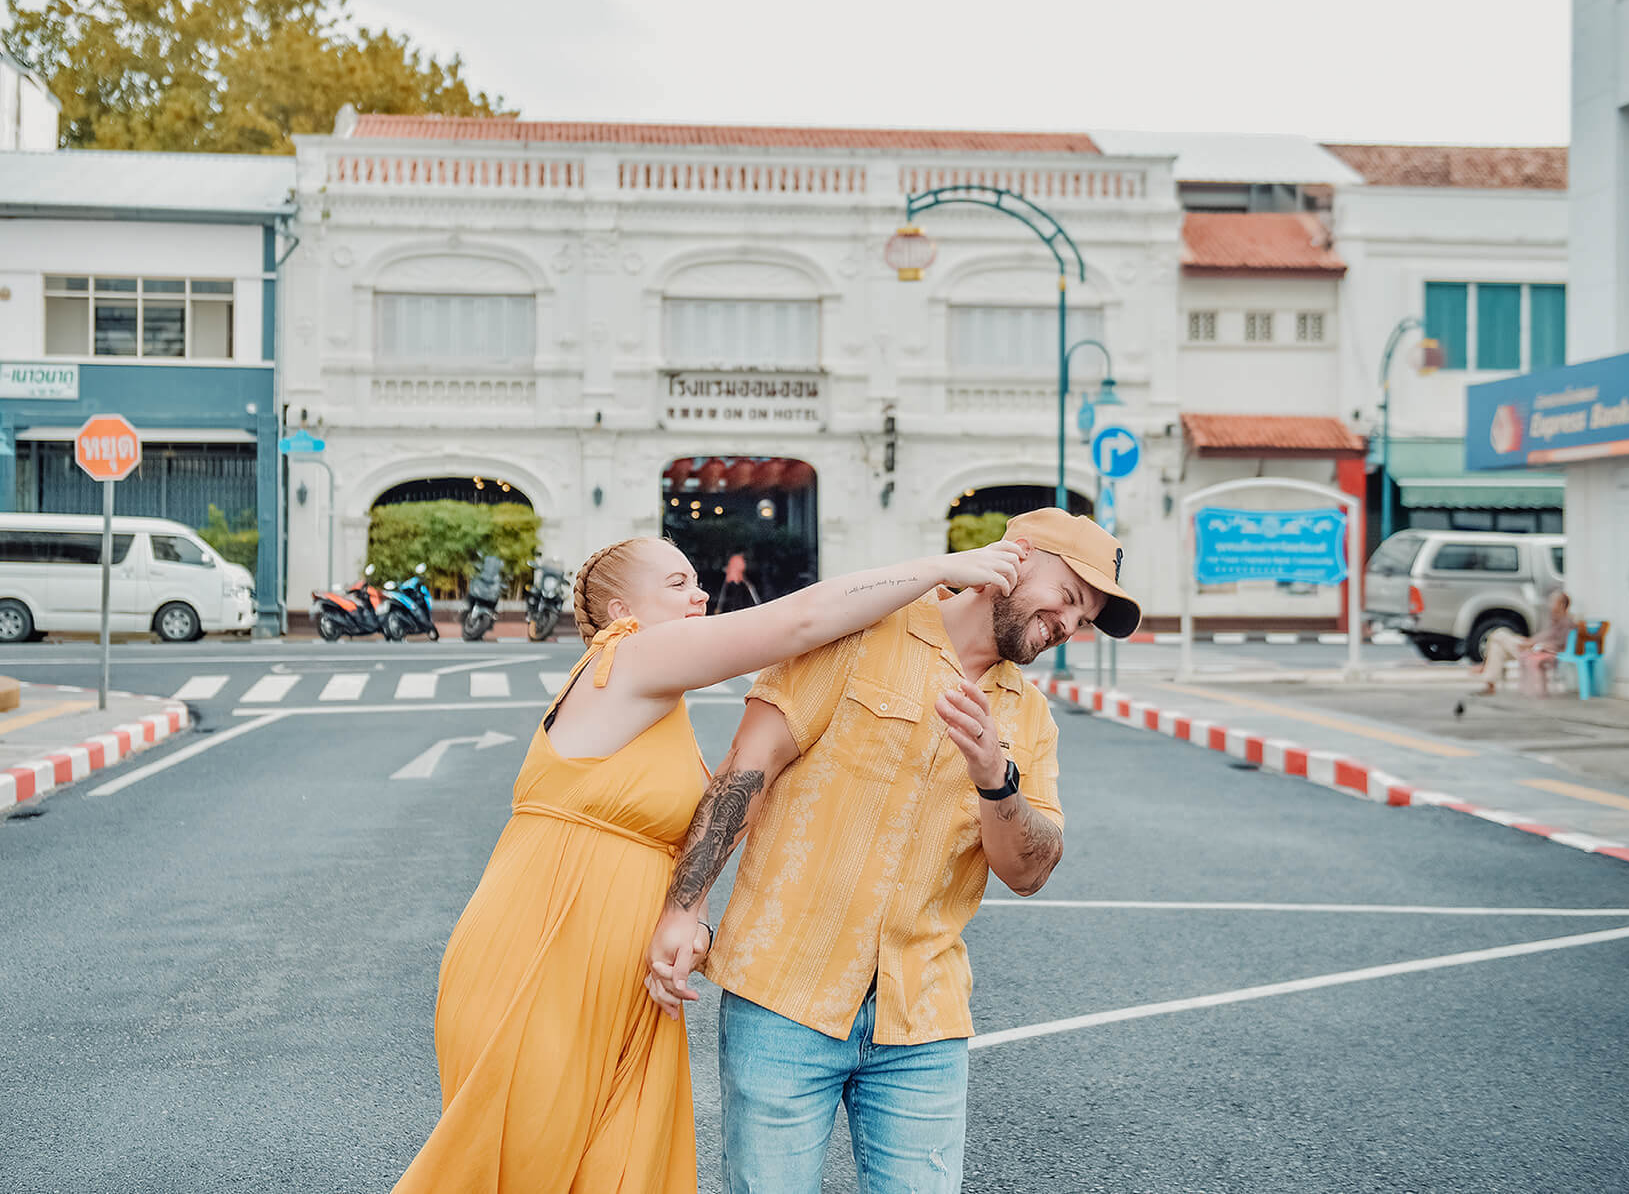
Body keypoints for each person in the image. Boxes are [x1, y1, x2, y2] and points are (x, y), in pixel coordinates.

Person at [390, 534, 1029, 1193]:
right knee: (519, 1167)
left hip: (624, 981)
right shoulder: (630, 655)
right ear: (620, 611)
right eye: (674, 584)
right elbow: (798, 621)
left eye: (695, 580)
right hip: (545, 953)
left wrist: (687, 912)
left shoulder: (657, 703)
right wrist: (935, 569)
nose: (698, 594)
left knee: (613, 1174)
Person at [645, 509, 1141, 1194]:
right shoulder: (865, 633)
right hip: (784, 995)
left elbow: (1030, 869)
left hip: (923, 1021)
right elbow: (747, 770)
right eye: (1068, 599)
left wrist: (997, 780)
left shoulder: (1027, 717)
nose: (1067, 626)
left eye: (1082, 621)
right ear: (1017, 557)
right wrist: (684, 907)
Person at [1475, 589, 1573, 695]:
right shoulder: (1552, 619)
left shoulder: (1566, 622)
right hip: (1529, 645)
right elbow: (1541, 636)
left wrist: (1534, 645)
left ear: (1562, 604)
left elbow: (1560, 645)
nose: (1549, 604)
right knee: (1497, 646)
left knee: (1499, 635)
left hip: (1536, 650)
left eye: (1553, 601)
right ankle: (1489, 683)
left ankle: (1485, 669)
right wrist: (1530, 642)